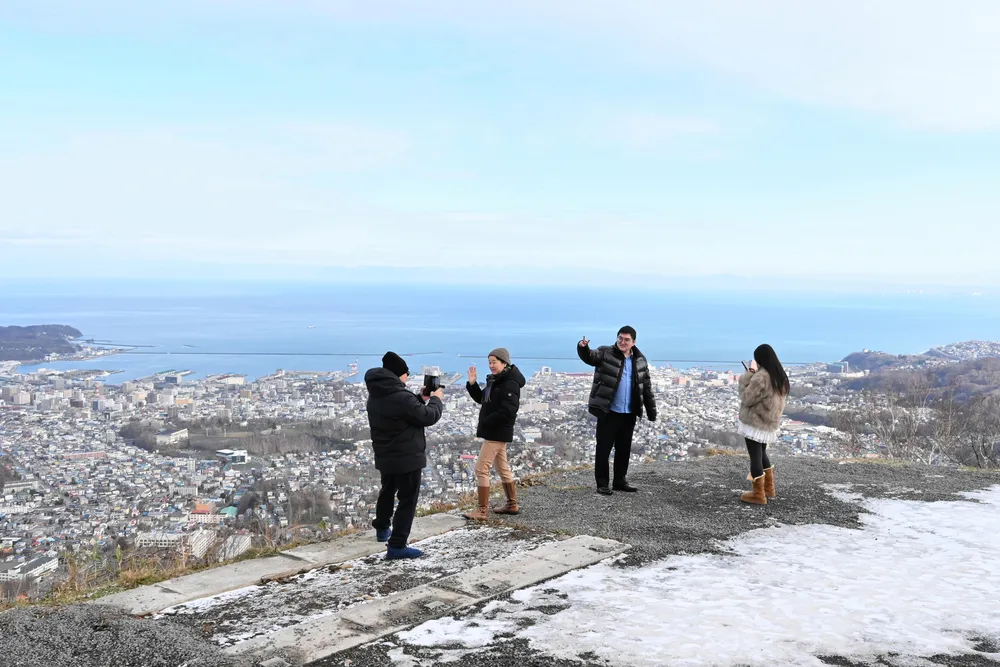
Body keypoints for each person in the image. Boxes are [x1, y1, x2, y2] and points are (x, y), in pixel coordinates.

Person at [364, 351, 445, 559]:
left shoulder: (377, 394)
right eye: (406, 374)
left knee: (387, 490)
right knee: (407, 499)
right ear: (398, 375)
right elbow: (428, 416)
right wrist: (436, 400)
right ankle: (397, 545)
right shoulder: (401, 396)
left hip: (386, 454)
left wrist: (420, 398)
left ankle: (382, 528)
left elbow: (402, 414)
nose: (407, 378)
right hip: (407, 456)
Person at [577, 326, 657, 495]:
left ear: (633, 342)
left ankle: (620, 481)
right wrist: (583, 347)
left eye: (626, 339)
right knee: (603, 448)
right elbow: (590, 357)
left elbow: (646, 387)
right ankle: (602, 483)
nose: (622, 342)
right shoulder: (605, 353)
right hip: (609, 411)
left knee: (624, 449)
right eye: (620, 338)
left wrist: (651, 411)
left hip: (629, 413)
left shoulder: (640, 360)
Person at [462, 347, 526, 520]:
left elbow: (509, 410)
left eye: (494, 362)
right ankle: (512, 504)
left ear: (504, 362)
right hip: (495, 432)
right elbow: (482, 399)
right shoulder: (496, 381)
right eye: (489, 362)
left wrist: (487, 420)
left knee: (481, 469)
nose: (491, 365)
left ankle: (482, 511)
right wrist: (473, 384)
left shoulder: (509, 383)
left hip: (497, 432)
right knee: (502, 468)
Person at [737, 343, 790, 505]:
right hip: (769, 422)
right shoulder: (779, 375)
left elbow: (747, 398)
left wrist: (747, 377)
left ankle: (758, 495)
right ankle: (769, 489)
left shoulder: (761, 377)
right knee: (762, 454)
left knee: (755, 457)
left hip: (755, 421)